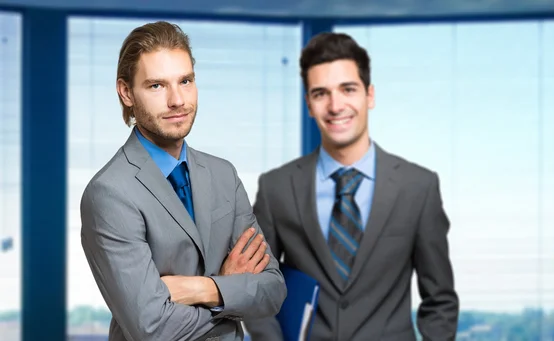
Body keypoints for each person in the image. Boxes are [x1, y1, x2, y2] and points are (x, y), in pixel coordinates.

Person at [244, 32, 459, 341]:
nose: (335, 105)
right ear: (309, 104)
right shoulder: (276, 188)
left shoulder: (418, 187)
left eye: (348, 89)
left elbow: (440, 300)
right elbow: (255, 287)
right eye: (321, 93)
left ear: (369, 95)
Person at [80, 21, 286, 341]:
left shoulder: (223, 175)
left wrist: (201, 288)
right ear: (126, 92)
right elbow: (153, 328)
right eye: (157, 86)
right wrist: (231, 292)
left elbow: (273, 290)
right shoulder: (109, 193)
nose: (177, 100)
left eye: (185, 81)